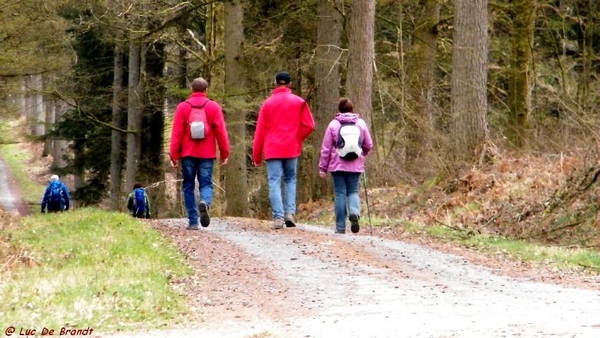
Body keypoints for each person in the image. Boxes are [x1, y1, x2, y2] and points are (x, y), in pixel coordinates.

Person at [252, 71, 315, 229]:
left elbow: (260, 132)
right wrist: (297, 137)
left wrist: (257, 156)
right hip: (291, 147)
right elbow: (309, 125)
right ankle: (289, 213)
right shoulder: (299, 102)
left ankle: (278, 217)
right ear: (290, 84)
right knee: (290, 179)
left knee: (274, 181)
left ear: (275, 83)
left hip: (273, 148)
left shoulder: (268, 104)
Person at [169, 77, 230, 230]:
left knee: (188, 186)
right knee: (206, 183)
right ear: (206, 90)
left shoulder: (183, 107)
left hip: (188, 153)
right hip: (207, 153)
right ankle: (205, 202)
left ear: (191, 89)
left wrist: (174, 155)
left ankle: (193, 221)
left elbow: (176, 133)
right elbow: (221, 132)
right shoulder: (213, 107)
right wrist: (225, 153)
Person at [318, 98, 373, 234]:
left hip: (337, 165)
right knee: (353, 191)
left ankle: (340, 227)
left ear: (339, 109)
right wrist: (363, 154)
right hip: (355, 165)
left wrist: (323, 168)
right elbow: (368, 144)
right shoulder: (360, 123)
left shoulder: (333, 125)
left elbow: (326, 148)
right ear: (352, 108)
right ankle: (354, 212)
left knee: (340, 193)